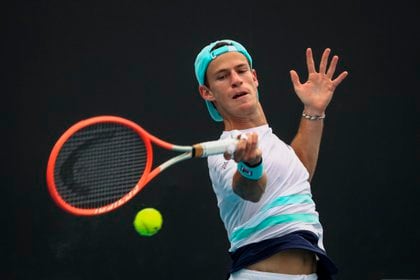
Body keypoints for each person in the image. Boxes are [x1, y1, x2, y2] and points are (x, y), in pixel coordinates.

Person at [194, 39, 348, 280]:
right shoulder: (222, 151)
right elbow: (249, 190)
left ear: (254, 77)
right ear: (207, 92)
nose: (236, 79)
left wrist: (314, 111)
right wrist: (250, 165)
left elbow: (299, 174)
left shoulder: (274, 144)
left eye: (241, 70)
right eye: (222, 76)